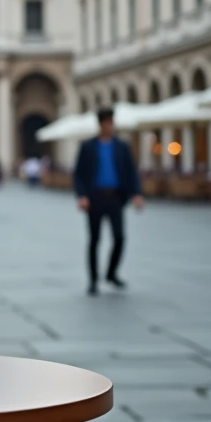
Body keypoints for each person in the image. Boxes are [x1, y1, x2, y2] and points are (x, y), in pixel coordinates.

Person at [73, 107, 144, 296]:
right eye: (106, 123)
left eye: (111, 122)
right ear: (101, 124)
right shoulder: (88, 147)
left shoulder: (122, 146)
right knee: (94, 240)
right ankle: (93, 280)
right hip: (94, 198)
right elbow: (78, 174)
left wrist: (136, 193)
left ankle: (111, 273)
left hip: (115, 197)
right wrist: (81, 196)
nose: (109, 126)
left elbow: (131, 171)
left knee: (119, 237)